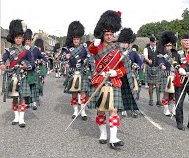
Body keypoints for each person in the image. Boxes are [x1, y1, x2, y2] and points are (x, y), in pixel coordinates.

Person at [87, 10, 125, 149]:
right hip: (100, 80)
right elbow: (91, 50)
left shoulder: (118, 48)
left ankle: (113, 138)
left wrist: (116, 72)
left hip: (113, 81)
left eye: (111, 34)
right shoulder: (97, 46)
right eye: (106, 34)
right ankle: (103, 133)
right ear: (103, 35)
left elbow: (124, 68)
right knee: (101, 110)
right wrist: (95, 42)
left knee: (113, 110)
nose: (109, 37)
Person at [0, 19, 34, 128]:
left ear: (22, 39)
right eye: (16, 38)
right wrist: (2, 65)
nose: (18, 40)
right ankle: (16, 117)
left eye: (20, 38)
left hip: (23, 77)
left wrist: (26, 66)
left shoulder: (27, 51)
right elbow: (2, 60)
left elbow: (33, 64)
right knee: (15, 98)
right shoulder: (9, 51)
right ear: (14, 38)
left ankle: (22, 119)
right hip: (12, 76)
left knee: (22, 97)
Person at [61, 21, 89, 120]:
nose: (76, 40)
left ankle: (83, 112)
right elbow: (61, 58)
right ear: (72, 39)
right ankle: (75, 111)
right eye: (74, 39)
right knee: (74, 93)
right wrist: (66, 57)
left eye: (77, 39)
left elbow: (90, 58)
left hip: (82, 71)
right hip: (72, 72)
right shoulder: (68, 48)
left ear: (80, 39)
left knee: (82, 92)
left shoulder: (84, 47)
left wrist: (85, 61)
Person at [117, 29, 142, 118]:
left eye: (126, 42)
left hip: (131, 75)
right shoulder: (118, 52)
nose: (125, 44)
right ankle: (123, 109)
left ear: (129, 43)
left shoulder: (133, 53)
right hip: (121, 75)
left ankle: (134, 109)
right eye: (123, 42)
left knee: (134, 92)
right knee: (122, 92)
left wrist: (136, 65)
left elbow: (140, 62)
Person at [24, 29, 47, 110]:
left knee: (34, 87)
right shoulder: (22, 49)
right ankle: (27, 103)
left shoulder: (35, 49)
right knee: (27, 87)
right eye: (26, 40)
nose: (27, 42)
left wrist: (40, 61)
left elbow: (43, 58)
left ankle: (34, 103)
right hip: (25, 72)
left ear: (31, 41)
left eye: (29, 40)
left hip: (34, 71)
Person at [156, 31, 178, 116]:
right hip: (166, 76)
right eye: (168, 46)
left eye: (170, 45)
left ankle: (173, 108)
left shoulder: (174, 54)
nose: (169, 47)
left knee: (175, 94)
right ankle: (166, 109)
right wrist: (162, 65)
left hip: (175, 76)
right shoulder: (161, 55)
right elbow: (160, 61)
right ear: (164, 46)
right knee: (167, 93)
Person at [143, 35, 163, 106]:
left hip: (157, 68)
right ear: (150, 42)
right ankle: (151, 100)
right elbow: (145, 57)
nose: (154, 43)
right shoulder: (146, 49)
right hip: (150, 67)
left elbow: (161, 57)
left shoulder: (158, 49)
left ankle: (158, 100)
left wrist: (162, 64)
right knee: (151, 85)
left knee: (158, 84)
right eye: (153, 42)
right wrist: (148, 60)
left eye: (155, 42)